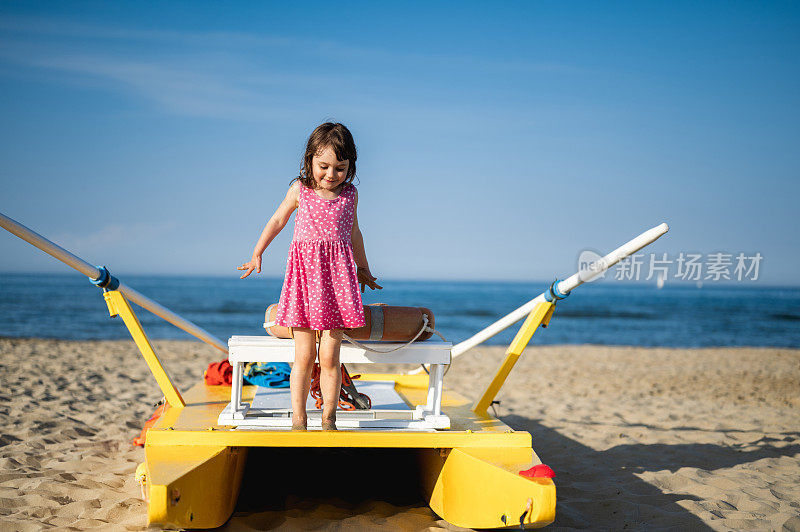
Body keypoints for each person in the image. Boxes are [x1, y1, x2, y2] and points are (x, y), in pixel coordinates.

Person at [238, 122, 382, 431]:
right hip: (305, 283)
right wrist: (257, 252)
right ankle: (300, 419)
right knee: (303, 356)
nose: (331, 175)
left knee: (330, 357)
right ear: (309, 161)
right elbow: (278, 219)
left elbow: (355, 233)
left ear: (351, 166)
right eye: (324, 166)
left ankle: (329, 418)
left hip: (337, 284)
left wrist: (364, 268)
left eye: (340, 168)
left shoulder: (350, 195)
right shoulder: (300, 190)